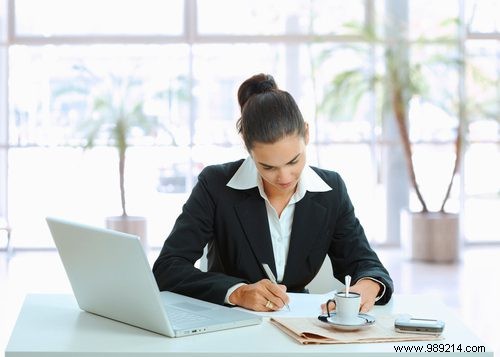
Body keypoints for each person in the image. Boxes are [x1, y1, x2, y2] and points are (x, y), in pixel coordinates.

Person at [153, 73, 393, 313]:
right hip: (231, 323)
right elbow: (168, 267)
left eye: (294, 161)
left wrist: (367, 285)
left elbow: (364, 262)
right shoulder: (215, 185)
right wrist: (236, 292)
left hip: (299, 323)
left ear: (306, 134)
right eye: (268, 167)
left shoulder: (330, 190)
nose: (285, 177)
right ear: (249, 148)